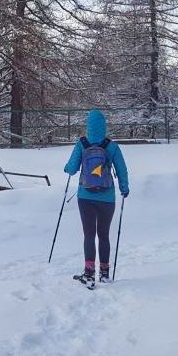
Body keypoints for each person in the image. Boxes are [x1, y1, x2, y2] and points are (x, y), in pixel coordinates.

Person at [63, 109, 129, 284]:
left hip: (85, 196)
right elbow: (122, 170)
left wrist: (66, 167)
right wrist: (124, 188)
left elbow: (71, 169)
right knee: (104, 234)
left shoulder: (82, 144)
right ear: (104, 126)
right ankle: (105, 274)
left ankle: (89, 274)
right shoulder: (112, 146)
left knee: (89, 234)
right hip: (107, 198)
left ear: (88, 125)